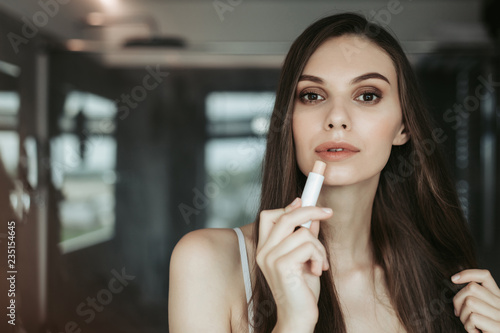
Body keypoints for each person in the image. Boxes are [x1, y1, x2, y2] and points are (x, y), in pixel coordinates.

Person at [168, 13, 500, 333]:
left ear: (403, 127)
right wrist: (293, 321)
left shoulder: (445, 279)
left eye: (367, 96)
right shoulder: (208, 262)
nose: (336, 117)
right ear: (289, 122)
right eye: (312, 96)